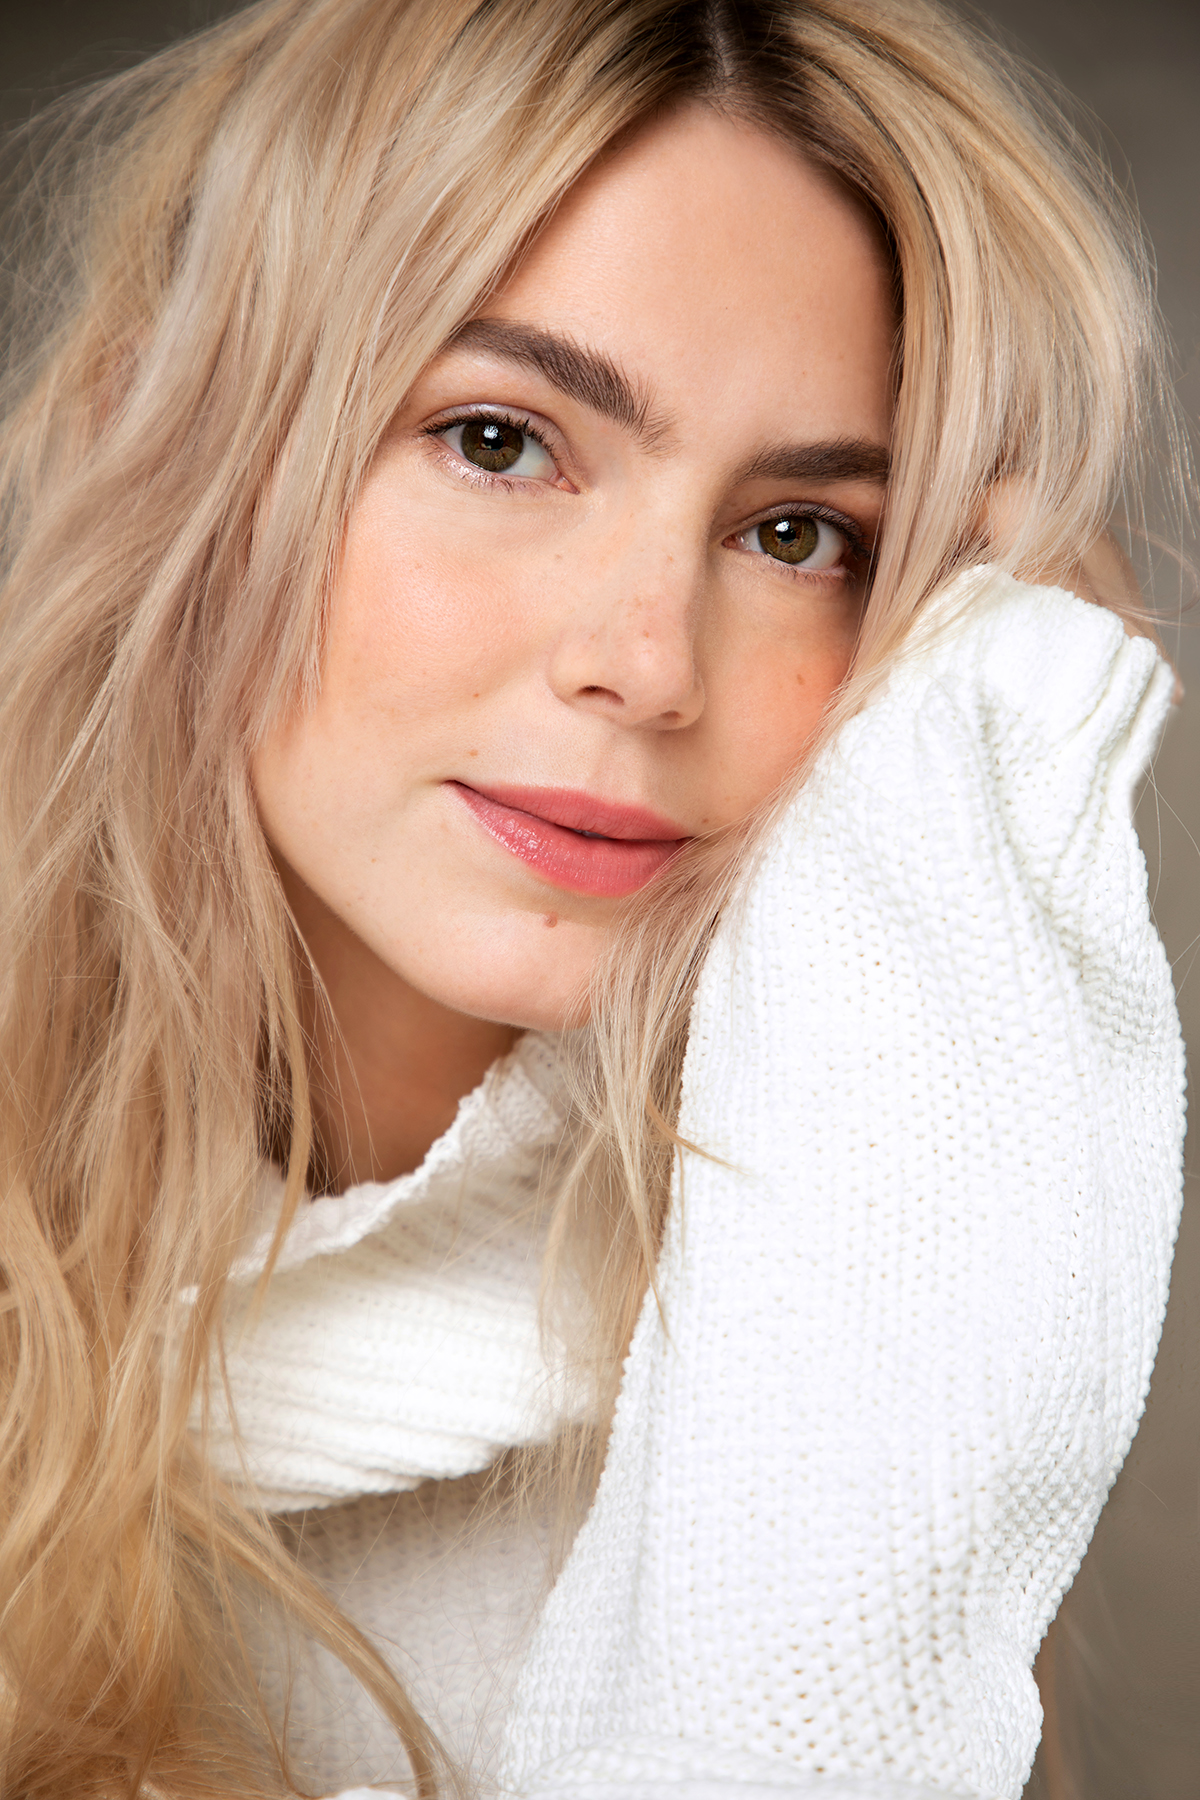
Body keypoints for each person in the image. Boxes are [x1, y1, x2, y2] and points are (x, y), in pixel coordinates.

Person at [0, 1, 1189, 1797]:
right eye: (500, 440)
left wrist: (979, 824)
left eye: (800, 536)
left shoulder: (851, 1309)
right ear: (163, 434)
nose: (645, 663)